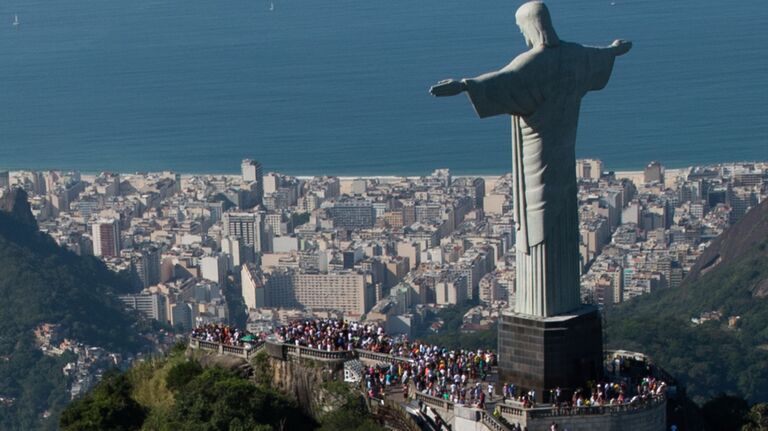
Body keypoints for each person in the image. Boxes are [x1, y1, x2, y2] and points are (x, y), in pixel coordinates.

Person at [430, 1, 631, 317]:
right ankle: (559, 301)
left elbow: (500, 81)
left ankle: (542, 307)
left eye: (521, 26)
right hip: (564, 156)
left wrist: (463, 85)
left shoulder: (532, 64)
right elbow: (599, 56)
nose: (520, 32)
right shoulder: (575, 55)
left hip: (536, 159)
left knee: (537, 220)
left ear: (532, 26)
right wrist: (614, 51)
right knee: (561, 216)